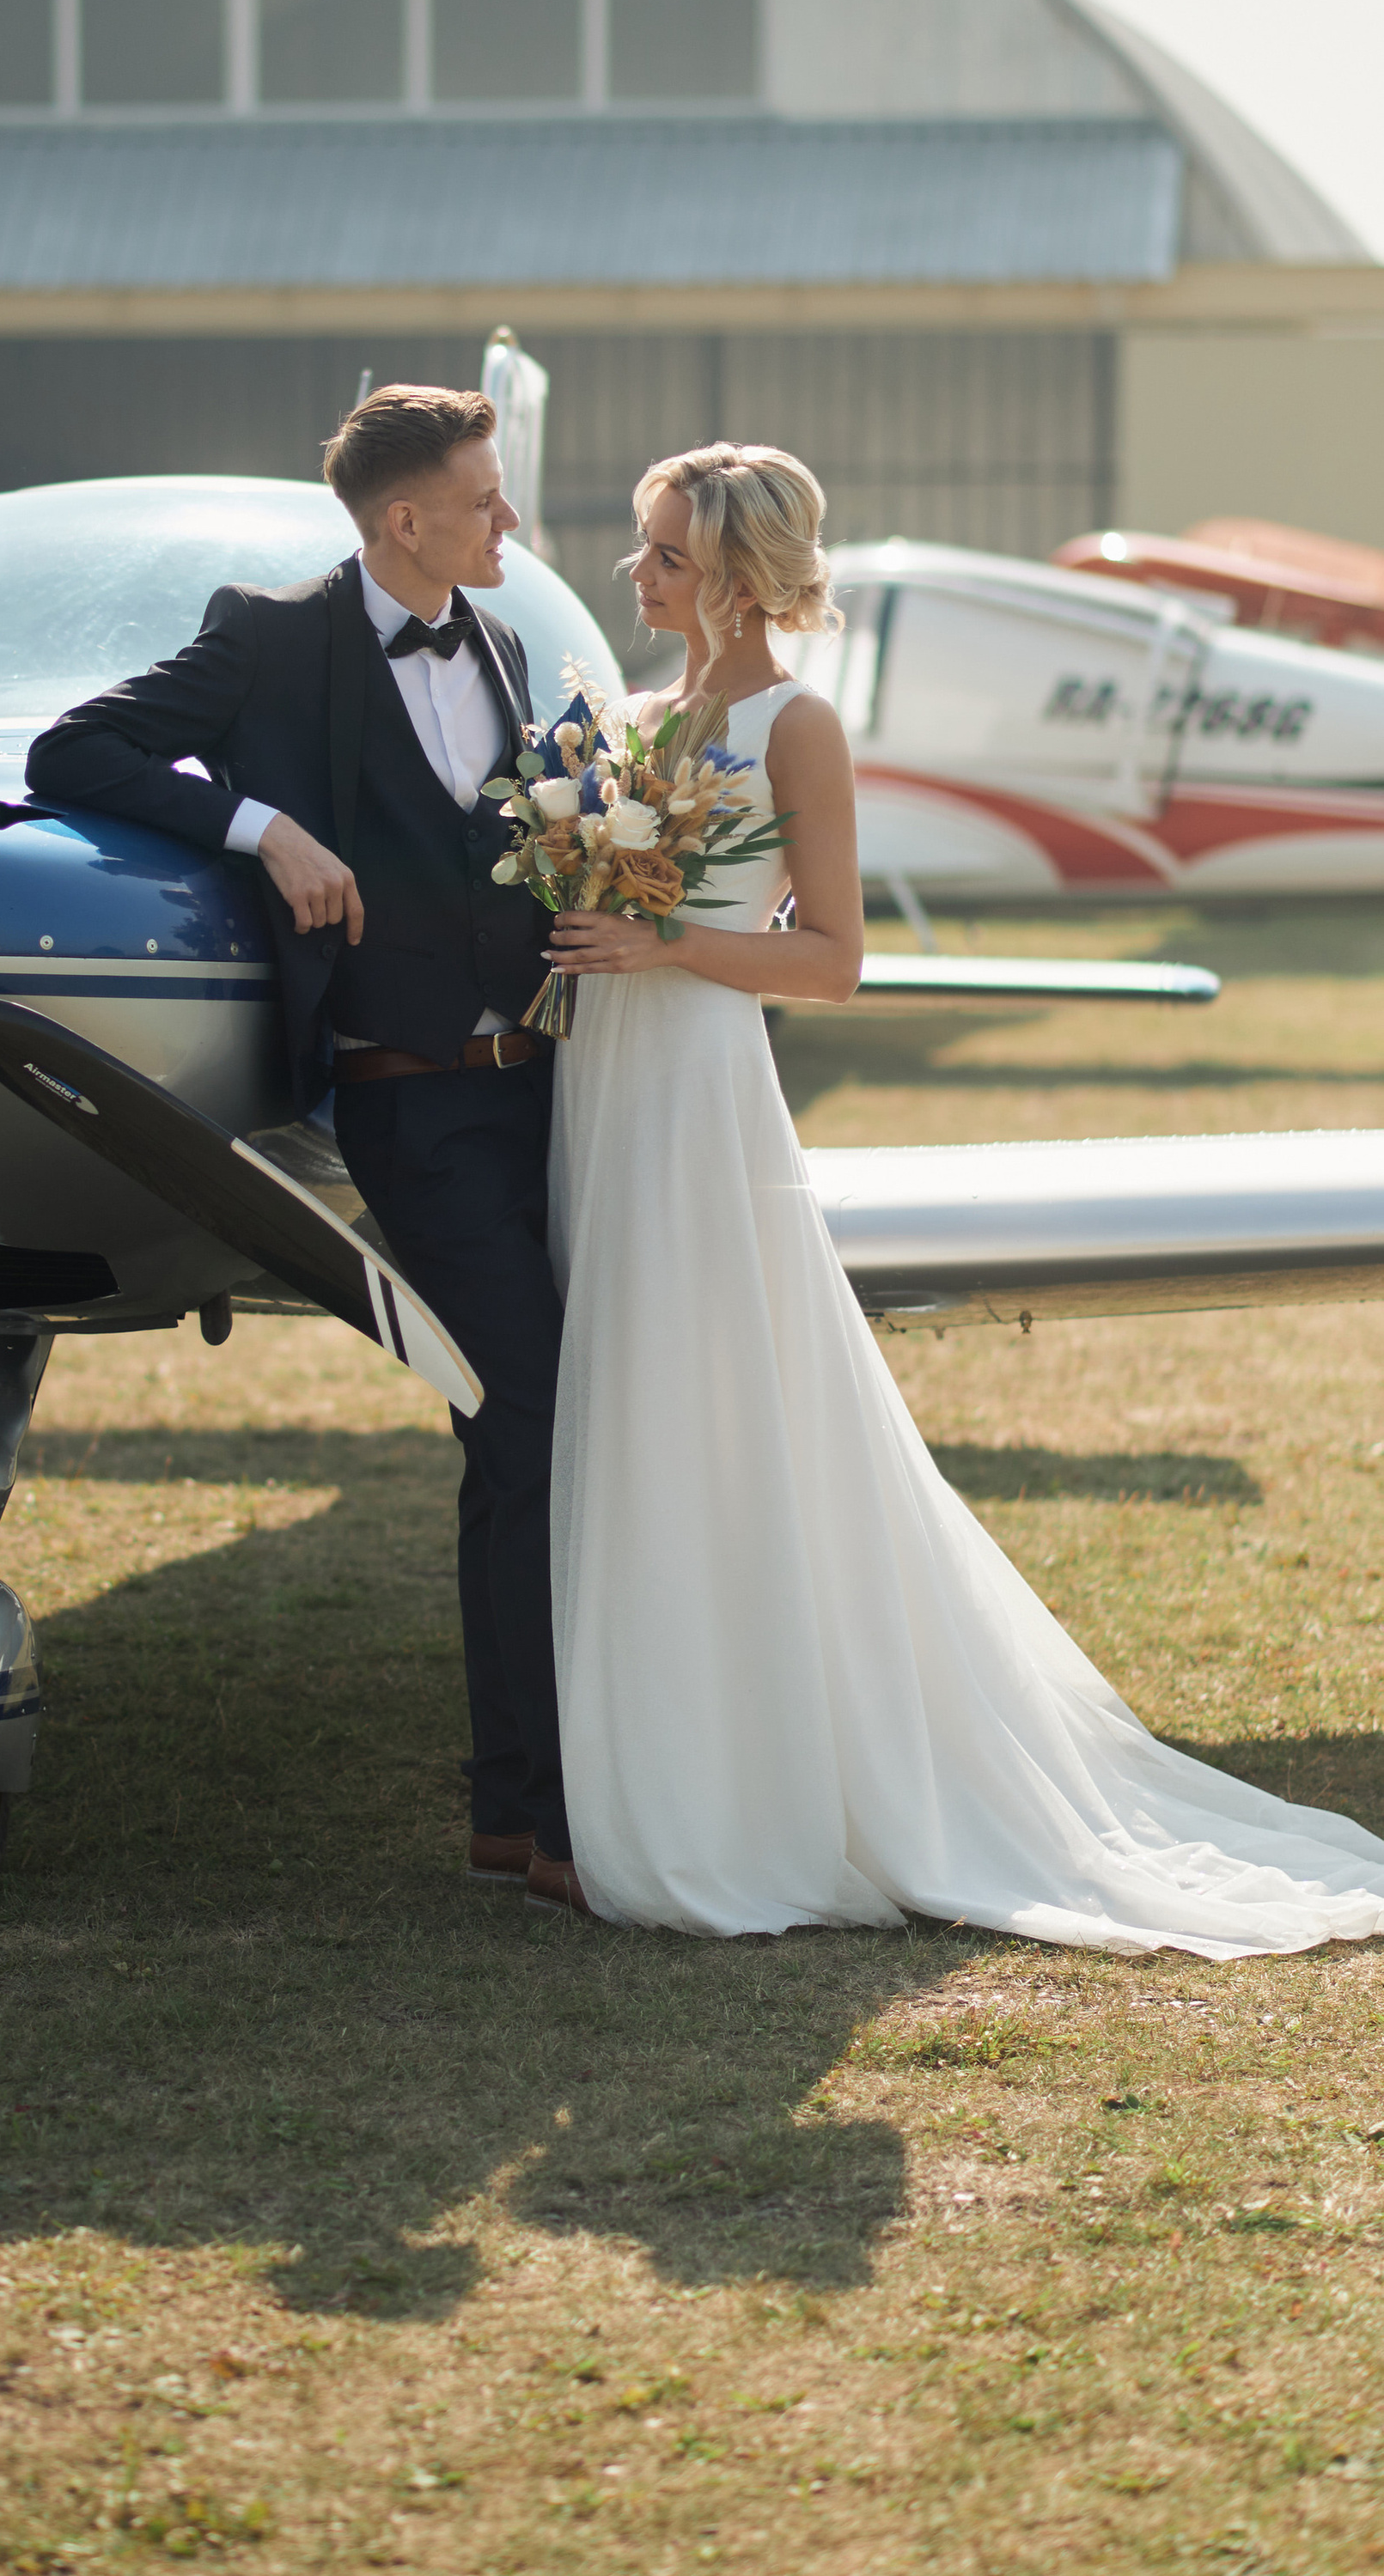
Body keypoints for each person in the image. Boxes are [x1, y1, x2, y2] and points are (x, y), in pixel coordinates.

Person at [539, 439, 1384, 1954]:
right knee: (629, 1391)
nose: (636, 572)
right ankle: (654, 1747)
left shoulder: (798, 728)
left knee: (725, 1394)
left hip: (702, 1084)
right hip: (606, 1083)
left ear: (732, 574)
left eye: (663, 552)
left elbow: (836, 959)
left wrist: (667, 950)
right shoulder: (633, 718)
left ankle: (758, 1781)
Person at [26, 386, 577, 1903]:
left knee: (538, 1420)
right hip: (406, 1101)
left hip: (547, 1093)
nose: (508, 523)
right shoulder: (268, 640)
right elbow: (77, 751)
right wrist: (259, 825)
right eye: (485, 498)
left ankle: (530, 1798)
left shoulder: (509, 646)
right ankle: (529, 1816)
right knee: (521, 1405)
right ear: (404, 520)